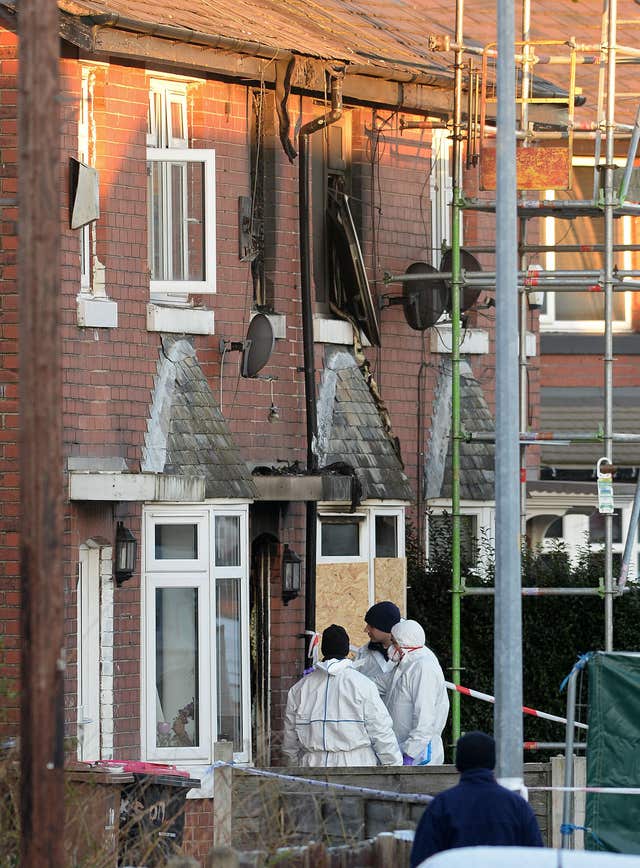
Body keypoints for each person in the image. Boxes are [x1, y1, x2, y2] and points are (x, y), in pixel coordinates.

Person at [409, 731, 544, 866]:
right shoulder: (517, 805)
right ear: (493, 762)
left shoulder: (441, 805)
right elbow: (536, 858)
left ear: (458, 764)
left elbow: (422, 860)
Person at [282, 624, 402, 767]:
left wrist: (293, 769)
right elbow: (380, 731)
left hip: (313, 768)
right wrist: (394, 767)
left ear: (323, 650)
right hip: (356, 766)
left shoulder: (299, 689)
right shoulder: (363, 685)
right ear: (346, 649)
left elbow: (290, 740)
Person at [385, 619, 449, 766]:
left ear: (403, 644)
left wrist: (410, 754)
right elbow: (382, 683)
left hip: (420, 755)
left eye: (394, 642)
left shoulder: (423, 668)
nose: (391, 646)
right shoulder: (406, 664)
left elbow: (425, 719)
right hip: (403, 749)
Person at [352, 601, 401, 699]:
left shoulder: (410, 654)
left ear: (386, 628)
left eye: (371, 626)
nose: (366, 630)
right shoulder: (363, 652)